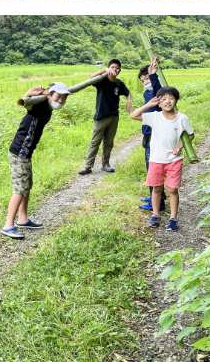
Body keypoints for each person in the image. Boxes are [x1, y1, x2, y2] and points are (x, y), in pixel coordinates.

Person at [1, 82, 70, 239]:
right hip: (20, 151)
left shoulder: (47, 107)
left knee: (27, 185)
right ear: (49, 95)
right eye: (58, 97)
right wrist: (29, 92)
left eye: (64, 98)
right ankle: (8, 225)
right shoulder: (40, 105)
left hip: (26, 152)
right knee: (20, 188)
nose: (60, 101)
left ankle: (23, 219)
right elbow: (24, 103)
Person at [130, 87, 195, 231]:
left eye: (171, 98)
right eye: (164, 99)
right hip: (156, 159)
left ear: (176, 101)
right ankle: (155, 215)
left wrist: (180, 146)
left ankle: (173, 218)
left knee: (172, 189)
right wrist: (148, 105)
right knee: (157, 187)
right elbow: (133, 115)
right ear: (159, 103)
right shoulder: (155, 116)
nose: (167, 101)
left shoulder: (182, 118)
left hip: (174, 159)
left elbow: (190, 135)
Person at [78, 59, 133, 175]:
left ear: (120, 70)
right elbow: (91, 77)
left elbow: (128, 93)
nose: (115, 70)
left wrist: (129, 102)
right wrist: (104, 70)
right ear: (109, 68)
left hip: (114, 116)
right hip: (101, 116)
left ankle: (105, 164)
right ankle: (88, 166)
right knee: (95, 142)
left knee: (109, 142)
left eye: (117, 68)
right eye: (112, 67)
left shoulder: (119, 83)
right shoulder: (101, 81)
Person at [137, 54, 166, 213]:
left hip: (155, 136)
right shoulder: (148, 93)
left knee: (153, 169)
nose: (145, 82)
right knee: (151, 168)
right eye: (143, 80)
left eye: (147, 78)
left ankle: (158, 203)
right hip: (149, 134)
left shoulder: (157, 93)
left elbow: (157, 85)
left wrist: (153, 74)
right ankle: (155, 196)